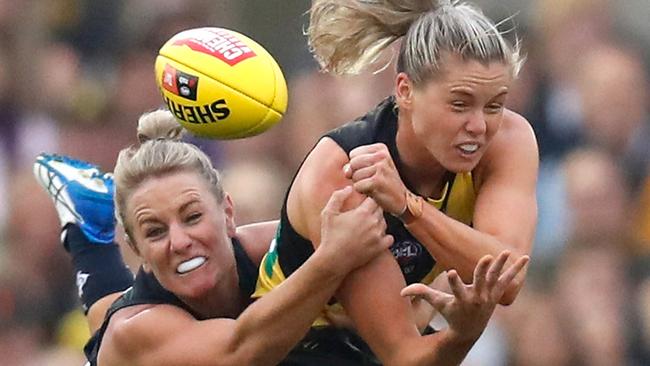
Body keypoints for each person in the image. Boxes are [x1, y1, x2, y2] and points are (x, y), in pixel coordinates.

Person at [34, 109, 526, 366]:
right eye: (154, 231)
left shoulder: (265, 243)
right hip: (171, 351)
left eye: (192, 216)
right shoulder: (135, 334)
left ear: (228, 213)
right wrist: (332, 260)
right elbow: (242, 352)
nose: (180, 240)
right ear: (135, 250)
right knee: (113, 323)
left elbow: (391, 287)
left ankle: (93, 221)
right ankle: (92, 236)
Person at [254, 0, 537, 364]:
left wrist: (408, 207)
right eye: (459, 104)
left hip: (391, 340)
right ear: (405, 91)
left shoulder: (508, 140)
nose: (479, 126)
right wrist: (463, 334)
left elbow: (508, 277)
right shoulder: (344, 171)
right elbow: (402, 356)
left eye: (494, 105)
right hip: (302, 341)